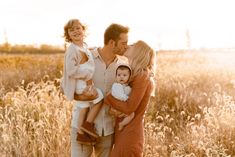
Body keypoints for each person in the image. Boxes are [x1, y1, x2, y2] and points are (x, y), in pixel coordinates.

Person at [71, 23, 129, 157]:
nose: (126, 46)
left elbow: (125, 92)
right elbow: (67, 88)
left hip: (107, 130)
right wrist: (88, 97)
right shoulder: (86, 57)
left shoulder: (123, 65)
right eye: (123, 43)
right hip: (81, 129)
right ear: (112, 42)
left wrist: (120, 109)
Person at [104, 40, 156, 157]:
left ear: (138, 52)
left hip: (130, 133)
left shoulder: (142, 76)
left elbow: (128, 108)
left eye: (132, 45)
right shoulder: (134, 75)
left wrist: (108, 97)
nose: (127, 45)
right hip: (124, 130)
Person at [60, 19, 104, 145]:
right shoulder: (72, 49)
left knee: (84, 108)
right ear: (68, 35)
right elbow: (71, 70)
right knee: (99, 97)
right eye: (71, 30)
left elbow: (88, 54)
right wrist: (87, 76)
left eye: (78, 28)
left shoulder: (84, 46)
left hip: (84, 82)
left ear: (83, 30)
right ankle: (87, 125)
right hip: (81, 84)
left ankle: (81, 134)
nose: (75, 31)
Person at [110, 64, 134, 131]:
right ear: (116, 76)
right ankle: (120, 124)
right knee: (130, 114)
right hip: (117, 105)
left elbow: (129, 93)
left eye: (124, 75)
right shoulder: (116, 85)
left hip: (122, 106)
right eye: (119, 75)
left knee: (131, 114)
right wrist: (126, 98)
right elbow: (117, 95)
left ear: (129, 77)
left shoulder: (127, 87)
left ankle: (122, 124)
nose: (121, 77)